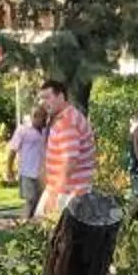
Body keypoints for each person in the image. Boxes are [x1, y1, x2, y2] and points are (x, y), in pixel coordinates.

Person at [37, 80, 97, 219]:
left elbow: (69, 162)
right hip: (68, 191)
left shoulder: (67, 122)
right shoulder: (66, 117)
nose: (43, 102)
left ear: (61, 96)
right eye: (41, 98)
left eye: (47, 97)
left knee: (48, 233)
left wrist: (54, 194)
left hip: (68, 193)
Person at [11, 103, 49, 223]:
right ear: (35, 117)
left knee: (41, 201)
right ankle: (24, 222)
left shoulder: (46, 130)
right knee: (31, 199)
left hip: (43, 173)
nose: (45, 120)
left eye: (46, 117)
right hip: (27, 172)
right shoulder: (22, 130)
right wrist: (9, 169)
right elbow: (12, 150)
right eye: (43, 117)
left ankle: (34, 225)